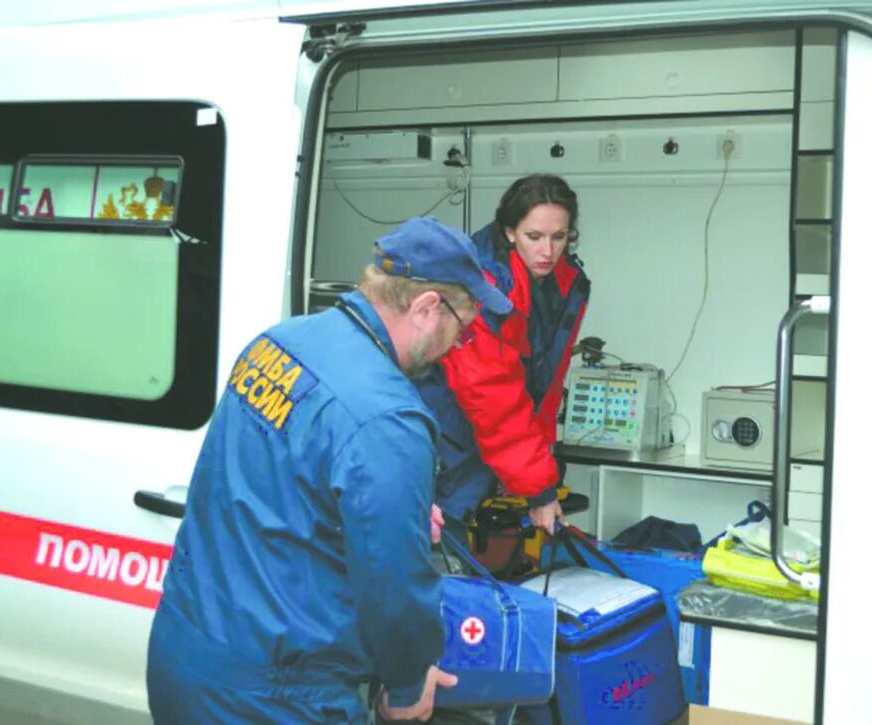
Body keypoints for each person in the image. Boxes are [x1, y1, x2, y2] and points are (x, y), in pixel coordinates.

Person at [146, 217, 513, 724]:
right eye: (462, 327)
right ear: (427, 307)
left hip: (185, 650)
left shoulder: (278, 343)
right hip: (274, 694)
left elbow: (274, 484)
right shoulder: (389, 418)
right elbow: (395, 584)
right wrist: (407, 684)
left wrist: (392, 508)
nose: (457, 343)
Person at [417, 174, 590, 538]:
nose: (548, 251)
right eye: (534, 237)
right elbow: (492, 395)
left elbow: (548, 382)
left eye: (559, 237)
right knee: (435, 558)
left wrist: (540, 465)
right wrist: (538, 487)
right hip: (441, 442)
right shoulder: (479, 286)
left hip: (488, 444)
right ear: (510, 232)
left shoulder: (565, 284)